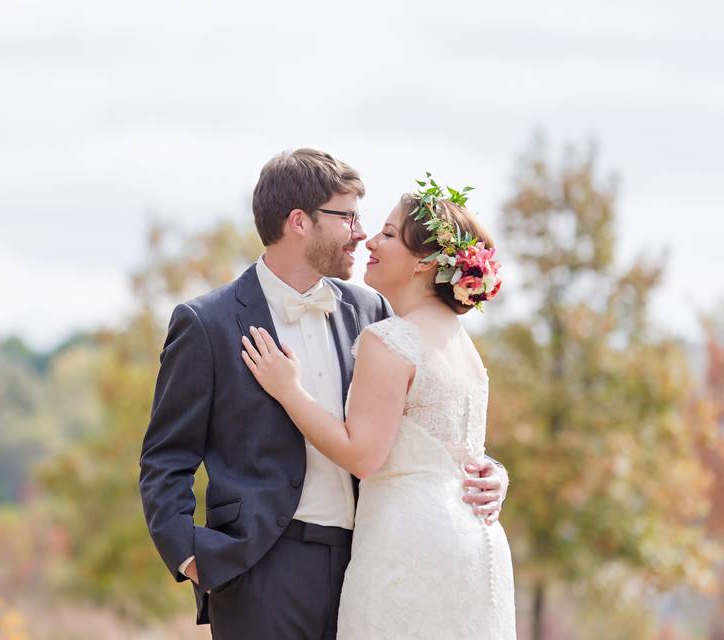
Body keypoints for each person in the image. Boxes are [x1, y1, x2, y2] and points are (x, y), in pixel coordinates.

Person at [139, 150, 509, 639]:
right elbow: (166, 458)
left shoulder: (373, 309)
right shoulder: (207, 324)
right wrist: (192, 557)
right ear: (299, 221)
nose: (360, 232)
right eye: (348, 216)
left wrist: (489, 472)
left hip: (376, 559)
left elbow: (421, 405)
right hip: (260, 570)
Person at [241, 183, 515, 638]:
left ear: (425, 262)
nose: (370, 241)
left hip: (406, 547)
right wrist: (497, 473)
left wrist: (290, 392)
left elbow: (363, 456)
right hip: (474, 545)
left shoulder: (390, 339)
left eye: (388, 234)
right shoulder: (461, 342)